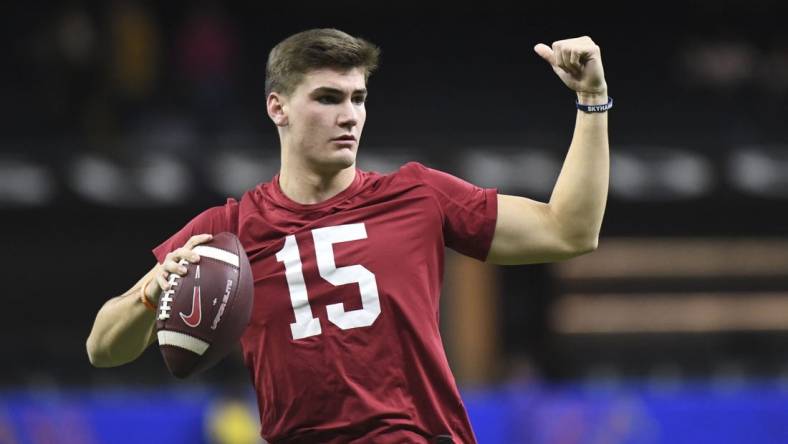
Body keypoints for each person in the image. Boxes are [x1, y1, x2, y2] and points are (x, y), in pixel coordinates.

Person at [86, 28, 610, 443]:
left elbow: (568, 232)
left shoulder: (417, 195)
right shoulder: (228, 231)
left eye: (358, 98)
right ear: (278, 108)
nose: (349, 116)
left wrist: (593, 99)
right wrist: (149, 294)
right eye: (329, 98)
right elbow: (102, 348)